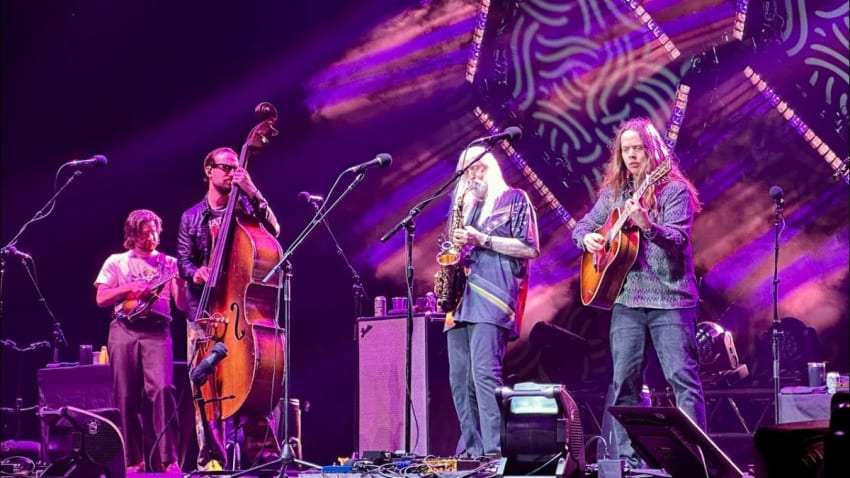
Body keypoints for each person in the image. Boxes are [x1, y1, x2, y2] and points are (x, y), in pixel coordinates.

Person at [571, 117, 705, 467]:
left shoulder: (673, 189)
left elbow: (677, 241)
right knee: (624, 382)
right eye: (625, 149)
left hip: (671, 299)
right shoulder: (615, 193)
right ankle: (631, 461)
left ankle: (695, 459)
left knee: (681, 380)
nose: (631, 155)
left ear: (653, 150)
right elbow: (582, 227)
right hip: (627, 300)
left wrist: (649, 226)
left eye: (638, 149)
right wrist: (588, 238)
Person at [176, 146, 281, 471]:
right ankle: (212, 461)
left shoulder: (246, 211)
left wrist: (252, 189)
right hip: (204, 311)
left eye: (237, 168)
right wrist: (196, 272)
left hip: (239, 313)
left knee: (253, 379)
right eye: (225, 167)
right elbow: (183, 259)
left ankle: (263, 457)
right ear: (209, 170)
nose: (232, 173)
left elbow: (274, 230)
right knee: (204, 389)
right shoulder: (191, 217)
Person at [445, 145, 540, 457]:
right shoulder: (464, 206)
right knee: (460, 381)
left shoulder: (515, 199)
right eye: (468, 169)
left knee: (484, 376)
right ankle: (473, 452)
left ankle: (495, 453)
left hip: (493, 297)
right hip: (460, 300)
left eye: (480, 167)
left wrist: (482, 239)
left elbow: (530, 248)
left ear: (493, 168)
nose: (474, 174)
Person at [94, 209, 186, 473]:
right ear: (132, 235)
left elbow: (180, 305)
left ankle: (169, 461)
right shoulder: (116, 261)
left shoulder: (169, 263)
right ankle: (134, 462)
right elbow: (101, 298)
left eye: (156, 231)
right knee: (126, 394)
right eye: (145, 233)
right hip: (124, 329)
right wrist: (129, 289)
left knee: (162, 389)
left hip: (157, 331)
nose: (152, 237)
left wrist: (181, 281)